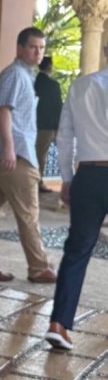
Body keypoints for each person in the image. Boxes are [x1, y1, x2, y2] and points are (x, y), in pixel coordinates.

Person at [0, 26, 56, 284]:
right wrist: (10, 148)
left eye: (41, 48)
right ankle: (39, 267)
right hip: (16, 155)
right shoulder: (14, 74)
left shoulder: (24, 75)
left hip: (9, 154)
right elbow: (3, 110)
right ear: (20, 48)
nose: (38, 52)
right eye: (33, 47)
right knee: (28, 212)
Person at [45, 46, 108, 350]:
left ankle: (58, 323)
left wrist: (68, 179)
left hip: (89, 175)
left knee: (77, 250)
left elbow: (65, 135)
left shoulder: (81, 86)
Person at [34, 54, 63, 192]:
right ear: (50, 66)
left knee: (37, 155)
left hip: (35, 124)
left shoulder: (34, 82)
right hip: (49, 126)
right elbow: (58, 106)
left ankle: (35, 182)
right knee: (42, 156)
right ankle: (38, 183)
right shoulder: (53, 85)